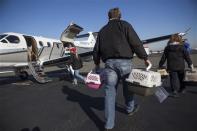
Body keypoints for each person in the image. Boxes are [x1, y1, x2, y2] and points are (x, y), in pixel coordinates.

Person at [93, 7, 151, 130]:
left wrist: (97, 63)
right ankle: (130, 108)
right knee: (128, 89)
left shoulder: (102, 30)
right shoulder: (125, 25)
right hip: (125, 63)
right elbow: (135, 42)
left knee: (109, 93)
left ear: (108, 17)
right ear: (120, 15)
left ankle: (109, 125)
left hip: (109, 65)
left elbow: (96, 50)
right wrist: (144, 57)